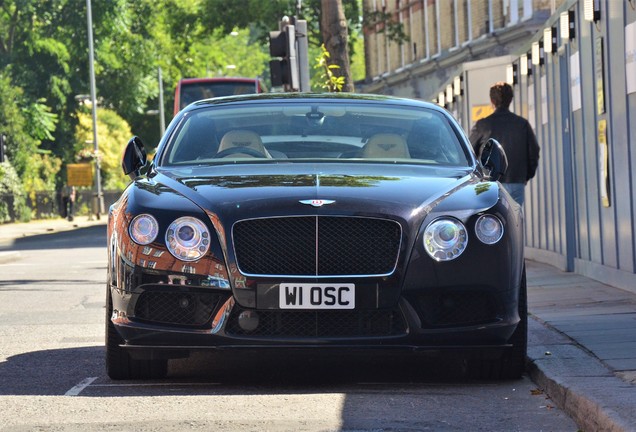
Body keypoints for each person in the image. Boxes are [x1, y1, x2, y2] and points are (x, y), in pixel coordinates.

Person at [469, 81, 540, 206]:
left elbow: (469, 152)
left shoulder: (482, 125)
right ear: (510, 99)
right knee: (514, 222)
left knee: (492, 220)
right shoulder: (522, 124)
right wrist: (524, 176)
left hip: (489, 183)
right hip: (516, 181)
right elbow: (533, 153)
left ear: (492, 101)